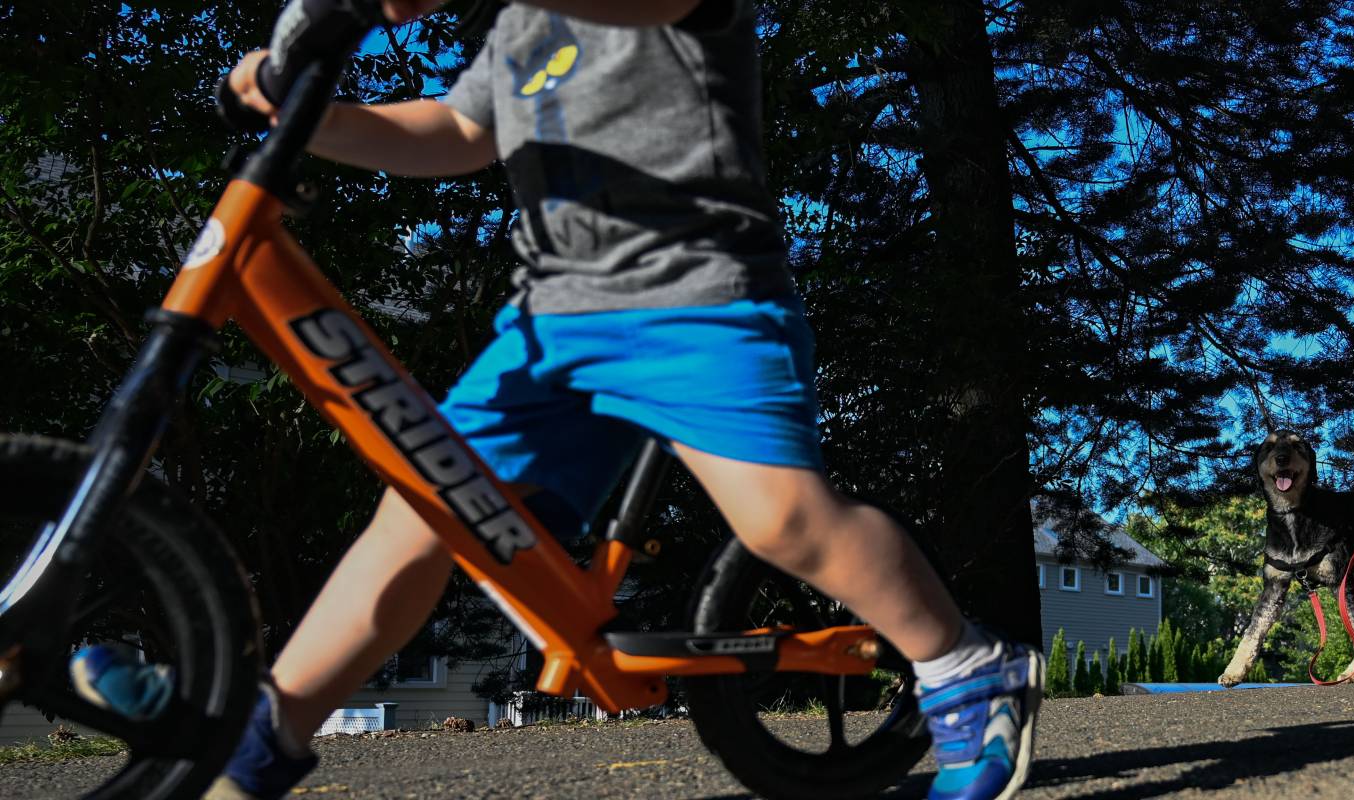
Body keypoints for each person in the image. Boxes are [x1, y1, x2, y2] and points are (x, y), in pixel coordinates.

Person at [72, 2, 1043, 798]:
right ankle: (264, 728)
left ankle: (963, 663)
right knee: (420, 516)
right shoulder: (519, 31)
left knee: (784, 517)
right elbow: (456, 134)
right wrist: (314, 117)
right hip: (550, 326)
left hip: (699, 302)